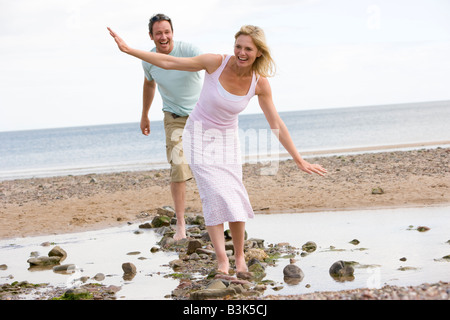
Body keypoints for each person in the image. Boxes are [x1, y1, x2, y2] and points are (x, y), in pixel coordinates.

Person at [108, 25, 327, 274]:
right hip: (197, 136)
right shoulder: (215, 63)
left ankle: (240, 257)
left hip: (227, 141)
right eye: (238, 46)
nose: (241, 53)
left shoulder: (260, 83)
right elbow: (169, 63)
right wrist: (128, 50)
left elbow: (276, 123)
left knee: (234, 195)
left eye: (248, 49)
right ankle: (223, 260)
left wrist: (298, 159)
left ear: (258, 53)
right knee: (213, 194)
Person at [140, 14, 203, 240]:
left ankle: (219, 216)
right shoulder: (148, 60)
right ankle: (181, 225)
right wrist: (145, 114)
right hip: (173, 117)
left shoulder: (190, 50)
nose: (163, 37)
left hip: (201, 117)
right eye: (158, 33)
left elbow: (213, 70)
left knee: (209, 167)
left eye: (167, 32)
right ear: (151, 36)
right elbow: (149, 84)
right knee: (178, 167)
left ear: (172, 33)